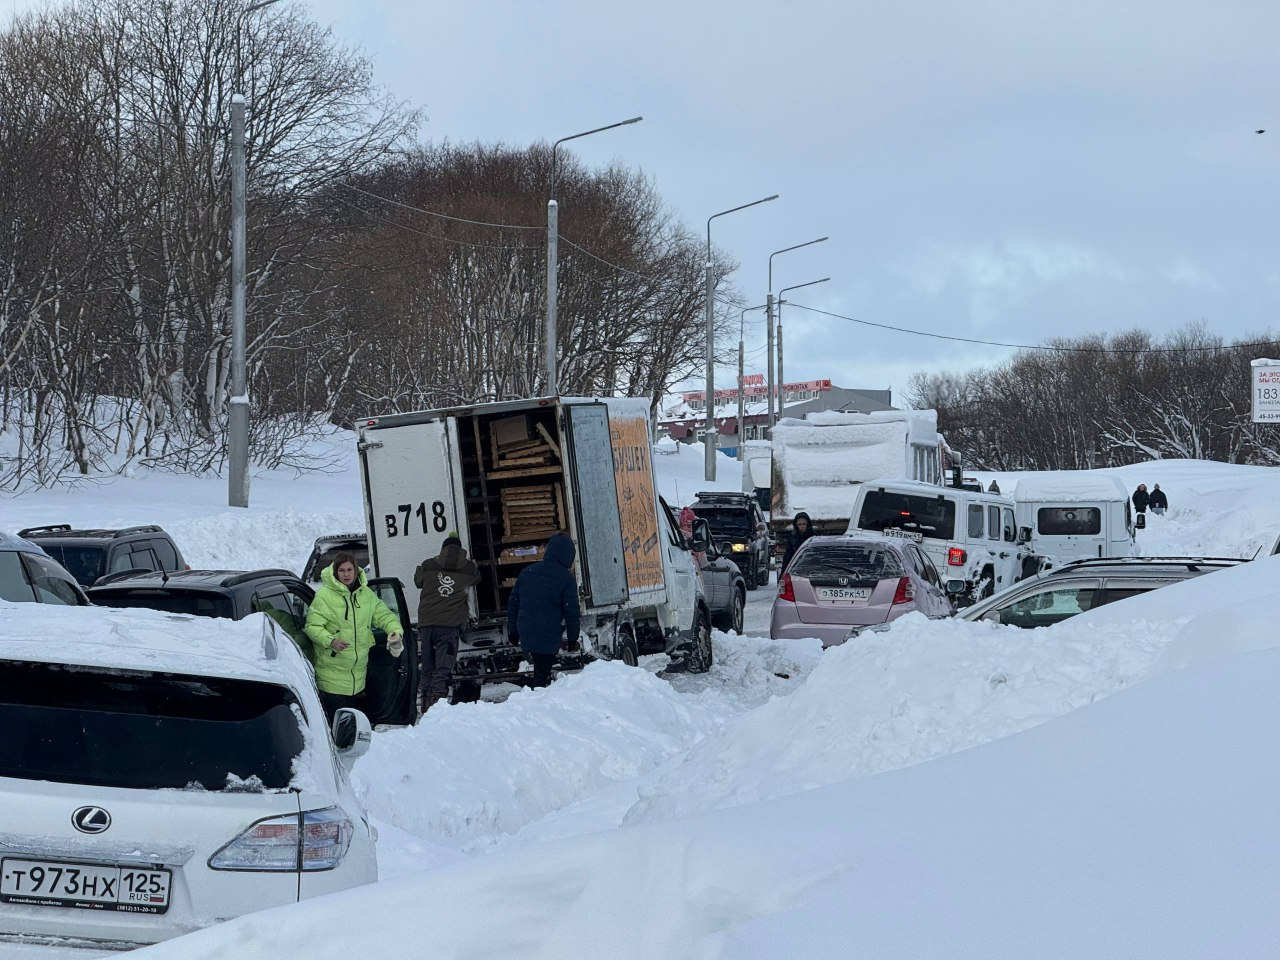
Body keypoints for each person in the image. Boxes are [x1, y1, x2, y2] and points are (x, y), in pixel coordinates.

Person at [304, 552, 404, 722]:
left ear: (356, 571)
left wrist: (394, 631)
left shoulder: (366, 594)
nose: (346, 574)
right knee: (336, 726)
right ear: (335, 572)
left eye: (349, 570)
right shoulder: (324, 596)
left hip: (358, 679)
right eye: (341, 570)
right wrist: (330, 641)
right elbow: (312, 627)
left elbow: (384, 616)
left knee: (351, 725)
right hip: (331, 678)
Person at [414, 533, 481, 715]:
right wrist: (473, 566)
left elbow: (418, 581)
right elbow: (477, 579)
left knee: (427, 666)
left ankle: (425, 704)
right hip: (449, 626)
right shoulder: (468, 568)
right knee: (443, 667)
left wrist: (421, 569)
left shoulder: (428, 564)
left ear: (443, 549)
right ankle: (437, 706)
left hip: (427, 624)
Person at [506, 533, 580, 688]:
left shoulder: (527, 572)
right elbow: (571, 612)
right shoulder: (566, 578)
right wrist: (573, 639)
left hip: (526, 630)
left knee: (540, 670)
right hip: (548, 631)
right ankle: (536, 693)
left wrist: (512, 630)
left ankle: (535, 689)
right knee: (542, 674)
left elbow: (513, 604)